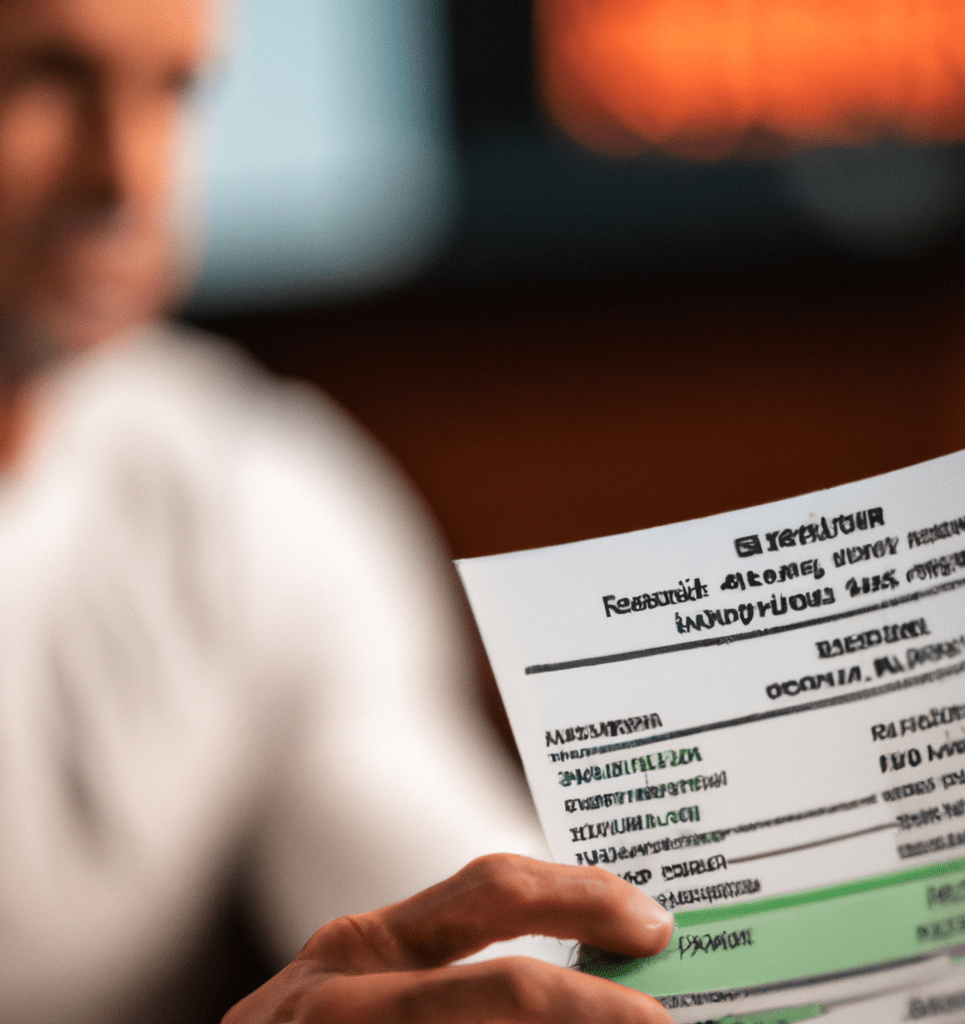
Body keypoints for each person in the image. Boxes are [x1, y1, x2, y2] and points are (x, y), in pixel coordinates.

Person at [0, 1, 675, 1022]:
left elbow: (445, 892)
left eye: (173, 89)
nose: (127, 178)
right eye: (42, 81)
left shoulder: (247, 487)